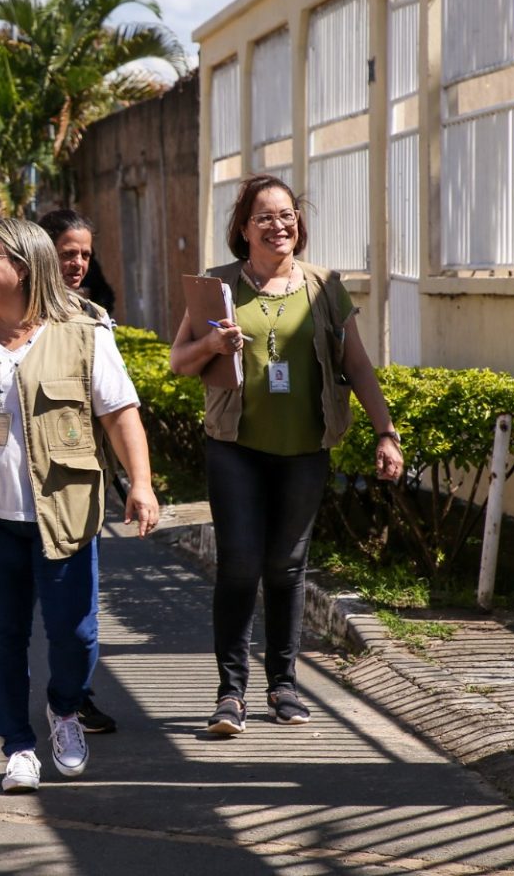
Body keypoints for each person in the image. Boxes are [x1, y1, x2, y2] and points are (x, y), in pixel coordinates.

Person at [0, 217, 161, 794]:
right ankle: (18, 746)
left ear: (23, 268)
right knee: (2, 638)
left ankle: (65, 711)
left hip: (64, 515)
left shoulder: (84, 336)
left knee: (76, 635)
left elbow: (121, 415)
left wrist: (141, 484)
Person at [168, 174, 404, 736]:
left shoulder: (325, 286)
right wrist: (212, 343)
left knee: (286, 567)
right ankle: (230, 694)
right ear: (244, 228)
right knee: (240, 565)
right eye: (265, 217)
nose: (279, 225)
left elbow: (357, 364)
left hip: (304, 450)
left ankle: (283, 686)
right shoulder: (218, 286)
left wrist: (386, 431)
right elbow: (179, 361)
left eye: (287, 215)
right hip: (235, 447)